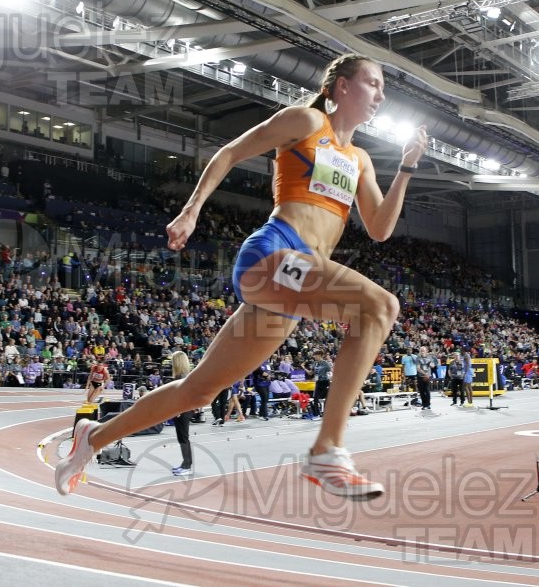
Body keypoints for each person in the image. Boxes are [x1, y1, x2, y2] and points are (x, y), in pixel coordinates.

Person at [55, 53, 426, 500]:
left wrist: (406, 167)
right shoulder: (305, 122)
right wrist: (191, 210)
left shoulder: (361, 159)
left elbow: (381, 229)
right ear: (342, 87)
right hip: (272, 255)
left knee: (197, 391)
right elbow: (231, 152)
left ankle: (91, 439)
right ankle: (328, 449)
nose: (380, 94)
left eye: (383, 87)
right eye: (372, 83)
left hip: (292, 284)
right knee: (381, 306)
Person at [168, 351, 195, 476]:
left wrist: (179, 410)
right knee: (182, 438)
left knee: (183, 438)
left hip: (183, 410)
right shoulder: (181, 376)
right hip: (181, 409)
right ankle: (185, 463)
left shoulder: (183, 377)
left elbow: (185, 396)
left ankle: (187, 466)